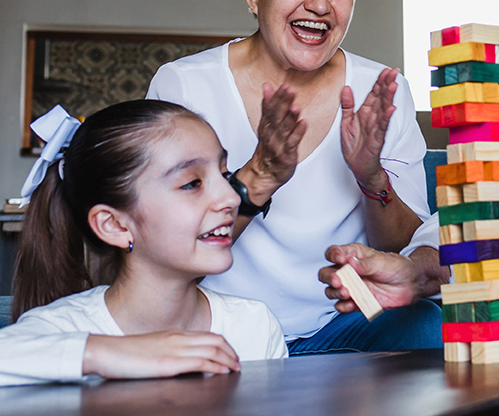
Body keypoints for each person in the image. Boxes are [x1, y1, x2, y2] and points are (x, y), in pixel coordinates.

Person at [147, 0, 445, 355]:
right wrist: (258, 175)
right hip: (224, 330)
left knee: (427, 325)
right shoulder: (185, 87)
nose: (322, 5)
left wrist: (370, 176)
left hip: (344, 324)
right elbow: (160, 257)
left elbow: (405, 257)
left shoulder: (381, 89)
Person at [2, 101, 286, 387]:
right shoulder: (57, 330)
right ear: (115, 225)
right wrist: (115, 353)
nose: (233, 198)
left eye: (224, 175)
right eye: (192, 183)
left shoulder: (255, 327)